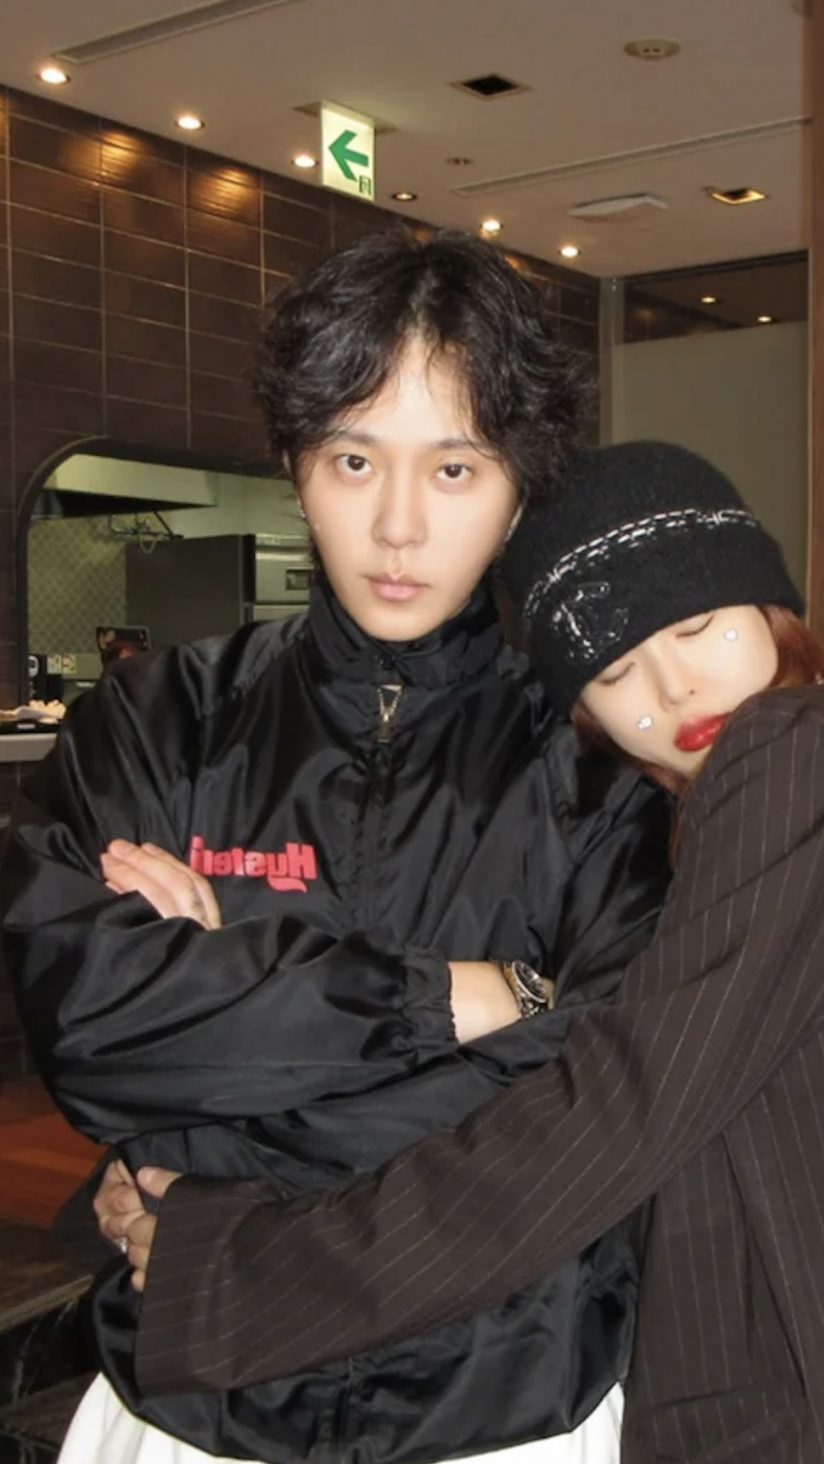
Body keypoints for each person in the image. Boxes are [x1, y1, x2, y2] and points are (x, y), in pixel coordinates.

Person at [110, 439, 824, 1462]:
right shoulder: (799, 787)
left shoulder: (800, 750)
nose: (673, 688)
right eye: (615, 672)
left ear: (769, 607)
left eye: (697, 625)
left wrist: (248, 1271)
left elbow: (617, 1106)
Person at [0, 241, 671, 1464]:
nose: (398, 525)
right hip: (194, 1407)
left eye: (454, 467)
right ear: (296, 464)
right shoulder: (156, 720)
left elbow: (593, 1111)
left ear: (519, 485)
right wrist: (463, 998)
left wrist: (222, 1074)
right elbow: (92, 1036)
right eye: (355, 459)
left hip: (508, 1409)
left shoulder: (602, 760)